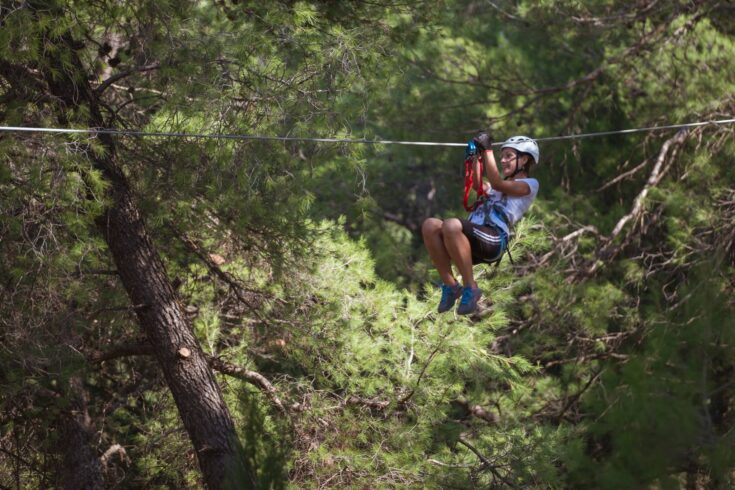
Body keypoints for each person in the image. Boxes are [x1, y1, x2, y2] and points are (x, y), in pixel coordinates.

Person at [422, 132, 540, 315]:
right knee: (430, 225)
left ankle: (471, 287)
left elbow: (498, 183)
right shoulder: (494, 187)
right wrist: (476, 156)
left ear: (524, 160)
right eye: (501, 156)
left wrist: (488, 150)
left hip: (493, 239)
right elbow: (478, 184)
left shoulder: (530, 185)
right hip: (472, 241)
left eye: (508, 156)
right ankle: (451, 286)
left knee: (451, 225)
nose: (503, 161)